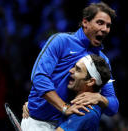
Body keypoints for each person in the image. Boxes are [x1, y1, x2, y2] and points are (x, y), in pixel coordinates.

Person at [21, 2, 119, 130]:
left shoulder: (102, 61)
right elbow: (39, 77)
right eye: (100, 23)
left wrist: (99, 97)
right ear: (85, 22)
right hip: (39, 122)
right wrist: (64, 107)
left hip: (68, 123)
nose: (105, 29)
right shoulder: (61, 41)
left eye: (108, 25)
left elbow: (113, 106)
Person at [54, 54, 111, 131]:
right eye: (74, 66)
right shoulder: (78, 104)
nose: (70, 70)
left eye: (78, 69)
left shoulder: (85, 111)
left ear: (90, 81)